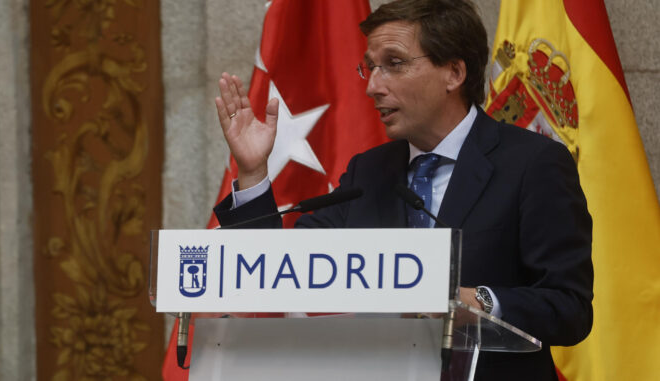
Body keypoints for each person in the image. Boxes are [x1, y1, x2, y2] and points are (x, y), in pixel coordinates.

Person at [212, 0, 593, 379]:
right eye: (370, 68)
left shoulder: (532, 164)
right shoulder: (369, 172)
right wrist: (252, 170)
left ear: (454, 73)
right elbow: (275, 271)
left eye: (393, 64)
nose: (373, 87)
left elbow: (570, 308)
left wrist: (476, 301)